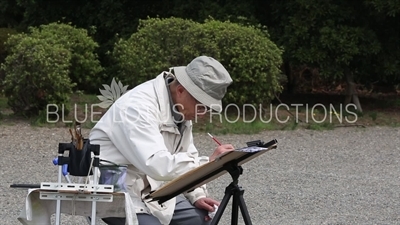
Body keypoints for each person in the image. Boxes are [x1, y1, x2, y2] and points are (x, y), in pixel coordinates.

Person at [89, 56, 235, 225]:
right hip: (114, 185)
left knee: (201, 219)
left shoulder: (180, 108)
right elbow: (156, 164)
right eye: (201, 106)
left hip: (153, 188)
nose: (202, 114)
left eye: (207, 108)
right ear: (181, 90)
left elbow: (186, 153)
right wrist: (209, 163)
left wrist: (196, 195)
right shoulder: (137, 107)